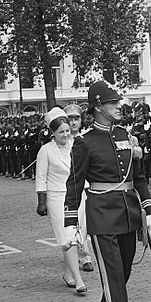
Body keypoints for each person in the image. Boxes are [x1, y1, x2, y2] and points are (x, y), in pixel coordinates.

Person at [64, 81, 151, 302]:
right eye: (113, 103)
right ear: (99, 107)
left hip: (128, 212)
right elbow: (75, 184)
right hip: (102, 215)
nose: (119, 107)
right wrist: (70, 223)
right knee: (113, 277)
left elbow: (137, 177)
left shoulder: (127, 136)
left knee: (124, 271)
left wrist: (148, 209)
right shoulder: (84, 143)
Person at [35, 107, 87, 294]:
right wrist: (41, 201)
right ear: (53, 133)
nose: (66, 134)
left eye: (67, 131)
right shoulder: (46, 151)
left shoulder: (78, 145)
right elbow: (41, 178)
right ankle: (78, 279)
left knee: (77, 236)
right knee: (66, 238)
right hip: (57, 197)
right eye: (61, 132)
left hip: (79, 195)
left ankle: (68, 273)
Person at [64, 103, 94, 272]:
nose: (74, 123)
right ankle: (72, 255)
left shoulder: (86, 139)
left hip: (84, 185)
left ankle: (85, 256)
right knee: (69, 223)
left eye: (76, 119)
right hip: (66, 187)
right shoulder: (62, 141)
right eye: (70, 119)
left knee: (82, 222)